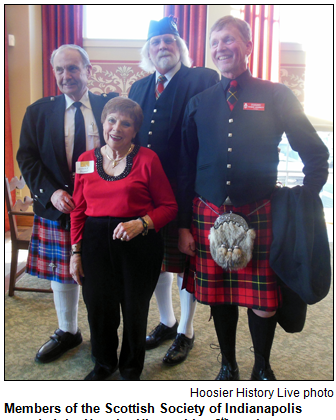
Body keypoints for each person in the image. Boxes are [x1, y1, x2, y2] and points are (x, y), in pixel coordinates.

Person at [177, 16, 329, 381]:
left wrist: (304, 202)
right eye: (214, 43)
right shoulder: (199, 102)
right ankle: (227, 364)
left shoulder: (276, 95)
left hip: (261, 211)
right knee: (217, 296)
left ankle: (262, 364)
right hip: (207, 214)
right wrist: (183, 224)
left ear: (248, 45)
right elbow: (185, 168)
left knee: (263, 299)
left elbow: (315, 153)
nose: (220, 48)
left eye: (228, 40)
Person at [17, 44, 118, 364]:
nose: (66, 76)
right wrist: (50, 194)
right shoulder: (38, 111)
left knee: (102, 274)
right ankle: (67, 330)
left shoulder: (109, 107)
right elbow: (27, 158)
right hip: (58, 207)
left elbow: (126, 149)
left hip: (103, 209)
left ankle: (104, 337)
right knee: (62, 271)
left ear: (89, 70)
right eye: (59, 70)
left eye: (73, 68)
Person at [128, 16, 219, 366]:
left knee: (184, 264)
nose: (162, 47)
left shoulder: (202, 78)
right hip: (145, 193)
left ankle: (186, 329)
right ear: (148, 51)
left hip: (187, 189)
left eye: (168, 41)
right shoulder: (137, 87)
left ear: (179, 47)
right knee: (157, 262)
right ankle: (166, 322)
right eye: (156, 42)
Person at [70, 97, 178, 381]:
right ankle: (103, 365)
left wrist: (141, 223)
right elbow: (78, 209)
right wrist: (76, 252)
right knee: (98, 309)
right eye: (112, 121)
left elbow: (169, 207)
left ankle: (131, 369)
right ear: (103, 123)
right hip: (94, 245)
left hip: (138, 246)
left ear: (134, 130)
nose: (117, 128)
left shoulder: (147, 159)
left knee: (134, 310)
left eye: (126, 123)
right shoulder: (84, 161)